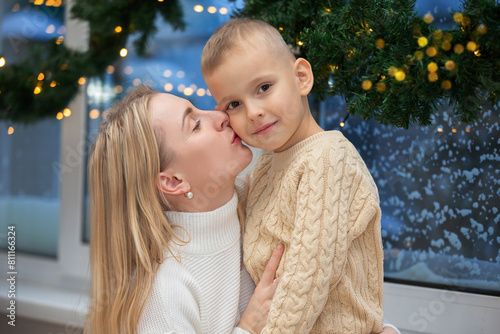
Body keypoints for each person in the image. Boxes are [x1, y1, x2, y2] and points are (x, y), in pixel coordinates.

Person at [202, 18, 395, 333]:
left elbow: (306, 281)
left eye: (264, 88)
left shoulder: (328, 157)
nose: (253, 112)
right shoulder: (266, 167)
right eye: (234, 104)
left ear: (301, 77)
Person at [84, 85, 284, 334]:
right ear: (174, 182)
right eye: (195, 125)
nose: (221, 116)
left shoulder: (260, 205)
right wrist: (248, 328)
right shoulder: (165, 294)